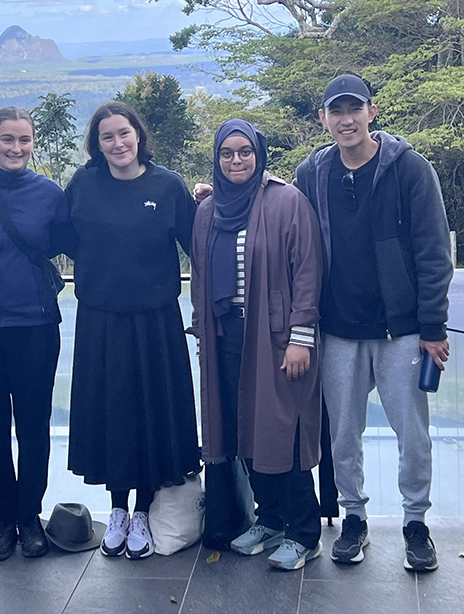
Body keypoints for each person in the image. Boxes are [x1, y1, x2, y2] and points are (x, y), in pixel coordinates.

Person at [294, 74, 452, 571]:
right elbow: (283, 215)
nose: (346, 119)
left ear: (371, 112)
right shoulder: (312, 172)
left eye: (354, 109)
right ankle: (354, 518)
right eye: (335, 111)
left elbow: (433, 253)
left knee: (413, 433)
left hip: (400, 328)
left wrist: (432, 327)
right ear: (323, 118)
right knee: (343, 433)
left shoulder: (410, 169)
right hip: (338, 327)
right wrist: (217, 193)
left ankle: (415, 523)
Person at [65, 101, 200, 560]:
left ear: (138, 135)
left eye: (124, 133)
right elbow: (59, 239)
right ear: (96, 144)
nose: (118, 143)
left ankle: (143, 510)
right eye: (107, 137)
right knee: (112, 414)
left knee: (151, 412)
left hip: (155, 322)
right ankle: (117, 510)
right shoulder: (83, 184)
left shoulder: (168, 185)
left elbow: (200, 244)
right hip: (100, 321)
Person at [190, 119, 323, 571]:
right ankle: (269, 520)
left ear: (259, 153)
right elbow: (200, 277)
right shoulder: (208, 210)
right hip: (227, 337)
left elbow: (307, 272)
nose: (236, 161)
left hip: (276, 340)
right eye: (227, 153)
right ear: (217, 158)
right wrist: (203, 333)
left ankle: (304, 532)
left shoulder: (287, 201)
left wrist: (300, 339)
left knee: (281, 431)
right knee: (241, 430)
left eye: (245, 151)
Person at [0, 106, 67, 562]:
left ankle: (29, 516)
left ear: (33, 143)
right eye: (7, 139)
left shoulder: (50, 194)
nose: (16, 148)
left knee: (35, 426)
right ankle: (2, 520)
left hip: (35, 326)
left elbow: (79, 240)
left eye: (24, 140)